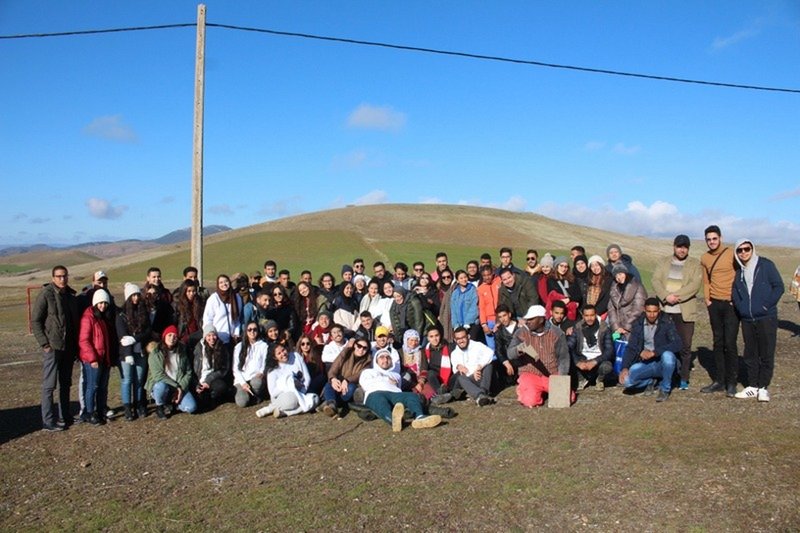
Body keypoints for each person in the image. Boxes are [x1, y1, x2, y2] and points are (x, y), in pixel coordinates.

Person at [732, 239, 784, 402]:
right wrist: (741, 308)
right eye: (740, 250)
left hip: (766, 317)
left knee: (766, 353)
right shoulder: (739, 272)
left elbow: (778, 287)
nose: (743, 253)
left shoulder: (765, 265)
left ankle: (763, 387)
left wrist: (765, 306)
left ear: (752, 249)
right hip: (747, 318)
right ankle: (752, 386)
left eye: (746, 249)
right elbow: (735, 292)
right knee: (750, 353)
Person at [651, 234, 703, 390]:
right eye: (679, 246)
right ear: (674, 247)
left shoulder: (695, 264)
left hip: (684, 310)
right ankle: (665, 375)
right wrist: (666, 296)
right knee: (663, 343)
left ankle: (683, 377)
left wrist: (676, 297)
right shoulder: (663, 262)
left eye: (685, 247)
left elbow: (695, 285)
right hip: (665, 309)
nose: (682, 250)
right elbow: (655, 280)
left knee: (685, 346)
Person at [32, 265, 79, 431]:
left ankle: (64, 416)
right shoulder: (46, 294)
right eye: (59, 276)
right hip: (53, 346)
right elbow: (36, 321)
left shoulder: (71, 296)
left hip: (68, 347)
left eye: (64, 276)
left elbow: (74, 324)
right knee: (49, 385)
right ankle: (48, 420)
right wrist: (44, 344)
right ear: (53, 278)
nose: (62, 279)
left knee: (65, 383)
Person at [700, 225, 740, 397]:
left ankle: (732, 382)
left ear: (720, 238)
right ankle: (719, 380)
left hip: (730, 304)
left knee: (730, 343)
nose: (712, 242)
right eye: (708, 239)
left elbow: (740, 275)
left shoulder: (731, 254)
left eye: (714, 238)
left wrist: (736, 298)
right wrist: (708, 299)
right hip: (714, 304)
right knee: (718, 342)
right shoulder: (705, 258)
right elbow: (706, 280)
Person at [359, 349, 442, 432]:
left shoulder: (396, 375)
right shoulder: (368, 372)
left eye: (388, 357)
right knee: (381, 402)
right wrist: (386, 379)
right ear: (376, 361)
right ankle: (393, 420)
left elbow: (399, 387)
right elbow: (365, 384)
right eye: (382, 357)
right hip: (375, 393)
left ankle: (419, 417)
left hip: (394, 394)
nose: (385, 360)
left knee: (411, 396)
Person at [507, 305, 573, 408]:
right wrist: (519, 349)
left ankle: (544, 390)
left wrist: (561, 378)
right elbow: (510, 354)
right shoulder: (521, 332)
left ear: (541, 319)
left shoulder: (557, 333)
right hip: (530, 373)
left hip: (552, 373)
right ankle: (525, 389)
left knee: (568, 398)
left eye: (531, 319)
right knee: (530, 401)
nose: (528, 322)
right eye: (527, 319)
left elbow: (563, 357)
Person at [619, 298, 680, 402]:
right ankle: (650, 381)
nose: (652, 315)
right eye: (649, 312)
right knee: (626, 382)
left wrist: (655, 352)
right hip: (646, 363)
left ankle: (665, 389)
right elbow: (631, 347)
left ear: (659, 311)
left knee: (668, 356)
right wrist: (624, 367)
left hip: (662, 362)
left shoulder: (666, 322)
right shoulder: (638, 324)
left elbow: (677, 344)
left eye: (655, 312)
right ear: (644, 310)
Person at [78, 289, 117, 425]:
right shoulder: (88, 317)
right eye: (100, 303)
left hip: (104, 358)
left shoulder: (104, 317)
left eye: (105, 303)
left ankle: (101, 410)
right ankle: (90, 412)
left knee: (102, 386)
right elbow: (84, 340)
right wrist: (93, 358)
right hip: (93, 359)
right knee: (92, 386)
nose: (103, 305)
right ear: (95, 303)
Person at [116, 283, 152, 420]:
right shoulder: (121, 315)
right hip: (126, 353)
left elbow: (148, 331)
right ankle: (127, 407)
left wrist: (135, 338)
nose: (136, 298)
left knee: (139, 379)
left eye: (137, 295)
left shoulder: (144, 313)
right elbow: (122, 337)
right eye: (133, 295)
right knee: (127, 380)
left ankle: (139, 404)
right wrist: (127, 353)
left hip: (141, 351)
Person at [145, 325, 198, 419]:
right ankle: (160, 406)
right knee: (161, 386)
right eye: (169, 335)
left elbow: (188, 372)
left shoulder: (181, 351)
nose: (172, 338)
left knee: (192, 407)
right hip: (164, 385)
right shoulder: (155, 353)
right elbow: (158, 376)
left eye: (175, 336)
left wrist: (181, 387)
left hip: (179, 385)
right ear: (164, 336)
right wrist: (177, 387)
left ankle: (173, 404)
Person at [256, 343, 318, 418]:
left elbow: (307, 377)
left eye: (283, 350)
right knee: (292, 398)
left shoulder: (296, 356)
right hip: (283, 396)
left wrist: (302, 391)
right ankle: (271, 408)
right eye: (279, 353)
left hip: (302, 391)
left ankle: (286, 413)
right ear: (275, 357)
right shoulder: (272, 371)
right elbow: (273, 393)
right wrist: (288, 385)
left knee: (315, 399)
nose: (283, 354)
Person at [321, 339, 373, 417]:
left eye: (365, 348)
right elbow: (334, 367)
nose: (361, 349)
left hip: (352, 383)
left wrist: (347, 380)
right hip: (339, 380)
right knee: (329, 385)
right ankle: (332, 404)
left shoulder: (368, 360)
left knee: (351, 388)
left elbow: (360, 374)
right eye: (359, 346)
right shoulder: (345, 353)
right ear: (355, 345)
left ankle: (331, 403)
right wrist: (333, 378)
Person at [569, 305, 614, 391]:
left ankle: (599, 380)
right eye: (586, 316)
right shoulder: (577, 328)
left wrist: (595, 361)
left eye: (592, 315)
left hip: (598, 359)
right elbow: (569, 346)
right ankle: (581, 379)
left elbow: (609, 350)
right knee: (568, 359)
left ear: (596, 315)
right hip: (582, 358)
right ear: (583, 316)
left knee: (607, 366)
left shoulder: (604, 328)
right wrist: (577, 362)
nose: (589, 318)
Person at [450, 327, 495, 405]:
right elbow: (455, 370)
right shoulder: (454, 353)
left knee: (489, 366)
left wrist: (479, 367)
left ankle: (482, 392)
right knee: (460, 377)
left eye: (463, 337)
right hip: (469, 380)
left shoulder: (477, 345)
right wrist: (459, 367)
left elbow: (490, 353)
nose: (461, 341)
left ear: (468, 336)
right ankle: (480, 395)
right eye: (458, 338)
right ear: (455, 340)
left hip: (481, 377)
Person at [193, 325, 231, 409]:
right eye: (208, 335)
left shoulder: (222, 348)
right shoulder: (198, 348)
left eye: (213, 335)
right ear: (205, 336)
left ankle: (214, 397)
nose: (212, 338)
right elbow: (194, 369)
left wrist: (208, 381)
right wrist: (196, 384)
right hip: (200, 379)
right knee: (200, 404)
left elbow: (224, 369)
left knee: (221, 386)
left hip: (214, 378)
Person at [232, 321, 269, 407]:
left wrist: (261, 373)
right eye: (249, 329)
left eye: (255, 329)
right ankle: (249, 396)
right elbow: (235, 369)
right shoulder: (238, 347)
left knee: (257, 383)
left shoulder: (263, 346)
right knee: (242, 402)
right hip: (241, 381)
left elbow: (264, 363)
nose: (252, 332)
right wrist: (243, 383)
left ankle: (255, 395)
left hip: (255, 378)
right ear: (246, 331)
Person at [202, 274, 243, 349]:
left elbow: (237, 318)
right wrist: (211, 337)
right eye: (221, 282)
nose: (224, 284)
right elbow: (207, 320)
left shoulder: (236, 297)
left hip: (232, 340)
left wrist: (236, 333)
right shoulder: (213, 299)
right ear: (218, 285)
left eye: (226, 281)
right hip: (217, 340)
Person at [607, 264, 647, 339]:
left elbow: (638, 309)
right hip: (618, 329)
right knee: (616, 346)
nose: (619, 277)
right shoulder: (614, 289)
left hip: (632, 327)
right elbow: (611, 309)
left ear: (625, 273)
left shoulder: (637, 286)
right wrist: (616, 327)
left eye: (620, 274)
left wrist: (626, 326)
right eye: (616, 276)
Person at [545, 256, 582, 321]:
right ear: (556, 266)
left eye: (566, 266)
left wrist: (569, 299)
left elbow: (579, 296)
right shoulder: (551, 280)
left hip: (572, 312)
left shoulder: (572, 279)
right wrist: (572, 301)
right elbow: (553, 296)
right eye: (561, 266)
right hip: (558, 312)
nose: (563, 269)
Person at [174, 279, 205, 354]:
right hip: (183, 338)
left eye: (193, 291)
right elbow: (175, 323)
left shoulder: (200, 304)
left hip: (197, 336)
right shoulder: (177, 305)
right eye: (189, 291)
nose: (192, 294)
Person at [477, 265, 501, 351]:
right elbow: (482, 308)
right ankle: (493, 364)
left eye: (489, 274)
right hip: (489, 321)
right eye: (484, 275)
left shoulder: (499, 281)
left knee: (502, 344)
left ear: (493, 273)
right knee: (491, 347)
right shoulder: (480, 289)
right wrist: (484, 324)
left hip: (501, 318)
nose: (487, 277)